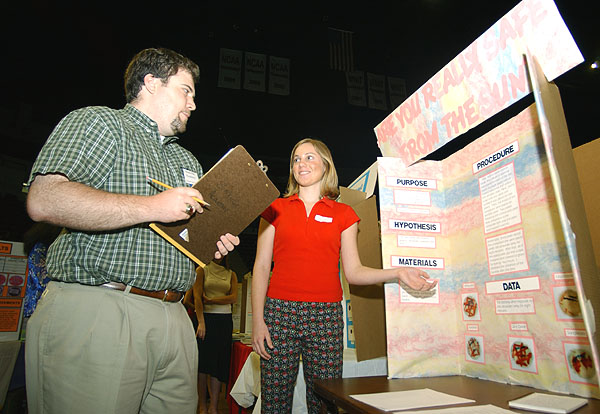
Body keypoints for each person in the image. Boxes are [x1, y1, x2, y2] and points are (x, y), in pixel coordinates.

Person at [24, 47, 240, 414]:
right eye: (186, 90)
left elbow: (184, 237)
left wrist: (211, 243)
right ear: (151, 83)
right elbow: (45, 200)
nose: (193, 103)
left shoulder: (186, 160)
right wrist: (155, 207)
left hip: (175, 318)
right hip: (101, 309)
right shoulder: (99, 123)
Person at [251, 138, 438, 414]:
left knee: (324, 403)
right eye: (296, 159)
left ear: (326, 165)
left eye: (310, 157)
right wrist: (258, 320)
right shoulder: (274, 209)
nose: (302, 163)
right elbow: (261, 267)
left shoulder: (344, 214)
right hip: (279, 313)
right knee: (274, 403)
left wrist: (397, 273)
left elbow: (354, 271)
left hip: (326, 317)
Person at [184, 257, 238, 414]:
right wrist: (201, 321)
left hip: (224, 321)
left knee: (218, 365)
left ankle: (213, 406)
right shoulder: (202, 270)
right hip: (206, 319)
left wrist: (212, 300)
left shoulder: (231, 274)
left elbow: (233, 297)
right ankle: (202, 405)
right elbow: (197, 297)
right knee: (203, 364)